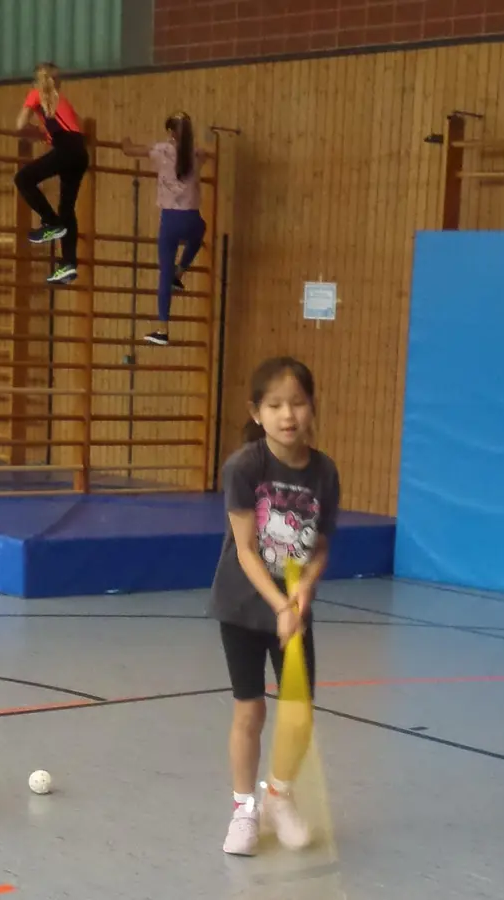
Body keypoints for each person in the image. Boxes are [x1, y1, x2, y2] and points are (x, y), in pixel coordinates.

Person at [208, 356, 340, 857]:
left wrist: (304, 590)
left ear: (312, 408)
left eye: (298, 403)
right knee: (251, 710)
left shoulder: (325, 472)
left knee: (299, 713)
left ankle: (280, 795)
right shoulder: (245, 467)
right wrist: (279, 603)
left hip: (293, 604)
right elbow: (245, 549)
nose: (288, 414)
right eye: (275, 405)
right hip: (244, 603)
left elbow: (320, 544)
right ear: (257, 412)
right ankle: (245, 809)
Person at [121, 112, 210, 346]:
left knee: (163, 274)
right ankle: (179, 274)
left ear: (171, 132)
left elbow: (130, 151)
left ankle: (162, 328)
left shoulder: (162, 150)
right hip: (192, 219)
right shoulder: (195, 154)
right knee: (201, 231)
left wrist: (125, 142)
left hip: (170, 220)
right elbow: (206, 155)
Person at [13, 62, 89, 285]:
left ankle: (50, 222)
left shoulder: (35, 94)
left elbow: (19, 125)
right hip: (80, 154)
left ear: (37, 81)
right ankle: (68, 264)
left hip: (66, 150)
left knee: (23, 178)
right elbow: (78, 128)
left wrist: (33, 132)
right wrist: (44, 134)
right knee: (67, 208)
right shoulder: (60, 101)